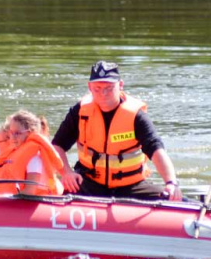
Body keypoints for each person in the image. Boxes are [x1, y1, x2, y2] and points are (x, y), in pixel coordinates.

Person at [50, 61, 182, 201]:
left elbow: (156, 149)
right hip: (88, 183)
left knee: (171, 198)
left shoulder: (136, 116)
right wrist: (66, 173)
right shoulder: (80, 112)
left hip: (131, 186)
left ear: (120, 85)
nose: (103, 94)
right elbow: (57, 145)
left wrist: (171, 182)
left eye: (109, 88)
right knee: (56, 194)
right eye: (97, 88)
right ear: (89, 87)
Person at [0, 110, 65, 196]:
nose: (13, 137)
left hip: (38, 201)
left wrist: (4, 198)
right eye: (11, 132)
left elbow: (30, 191)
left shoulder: (34, 157)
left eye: (17, 133)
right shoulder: (16, 152)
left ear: (29, 133)